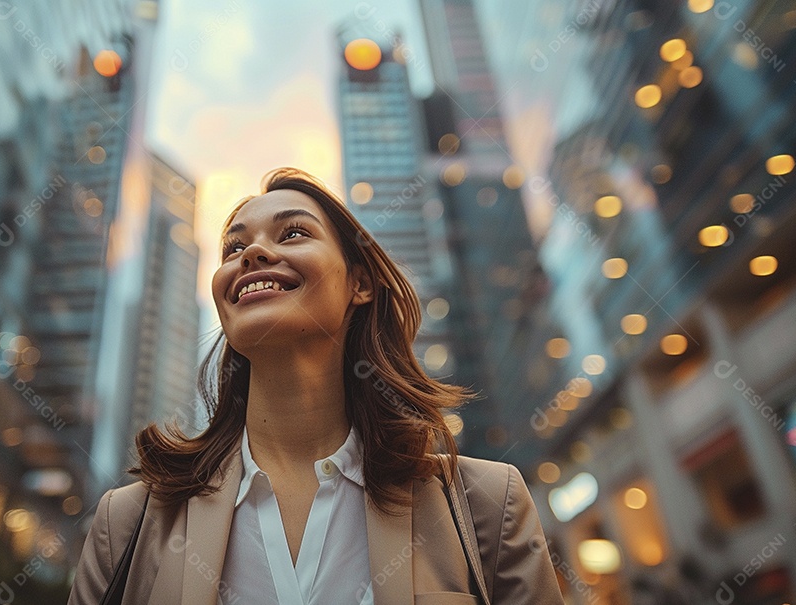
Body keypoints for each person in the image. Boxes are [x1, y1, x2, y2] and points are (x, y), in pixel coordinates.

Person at [68, 168, 563, 604]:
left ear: (360, 284)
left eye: (294, 233)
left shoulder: (485, 507)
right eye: (235, 247)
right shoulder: (128, 524)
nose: (254, 253)